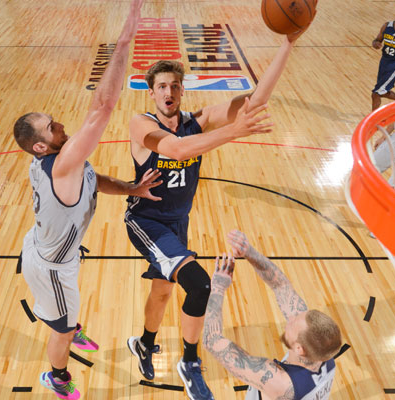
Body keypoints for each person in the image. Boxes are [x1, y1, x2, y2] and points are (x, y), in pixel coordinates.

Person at [123, 20, 315, 400]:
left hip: (177, 223)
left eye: (175, 86)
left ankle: (145, 343)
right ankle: (190, 363)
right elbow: (177, 150)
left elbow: (254, 102)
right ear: (152, 92)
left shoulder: (196, 121)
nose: (169, 92)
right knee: (199, 284)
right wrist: (234, 131)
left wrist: (288, 45)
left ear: (182, 91)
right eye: (161, 86)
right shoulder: (140, 124)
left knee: (162, 292)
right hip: (146, 221)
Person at [13, 1, 156, 399]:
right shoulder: (61, 166)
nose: (61, 124)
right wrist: (125, 38)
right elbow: (102, 107)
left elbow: (93, 181)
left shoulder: (63, 164)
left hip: (47, 248)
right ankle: (57, 376)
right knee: (60, 329)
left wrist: (130, 188)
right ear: (40, 146)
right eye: (51, 126)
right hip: (52, 268)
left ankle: (68, 321)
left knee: (65, 312)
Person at [203, 230, 342, 400]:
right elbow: (281, 285)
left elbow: (212, 340)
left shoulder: (279, 382)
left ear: (299, 348)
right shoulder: (324, 353)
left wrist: (218, 288)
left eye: (293, 322)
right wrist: (249, 252)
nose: (291, 317)